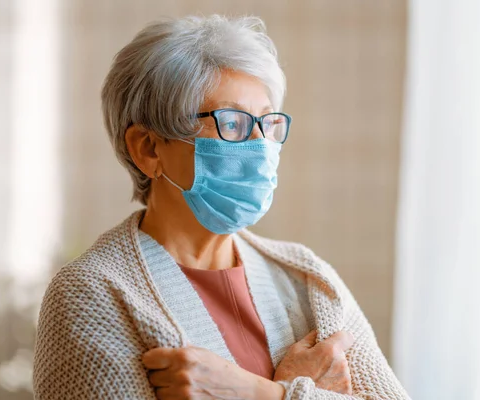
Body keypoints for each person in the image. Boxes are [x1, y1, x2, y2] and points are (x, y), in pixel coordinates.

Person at [32, 15, 410, 400]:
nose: (261, 145)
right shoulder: (94, 294)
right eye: (233, 123)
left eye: (268, 123)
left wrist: (260, 393)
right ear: (147, 149)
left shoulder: (307, 278)